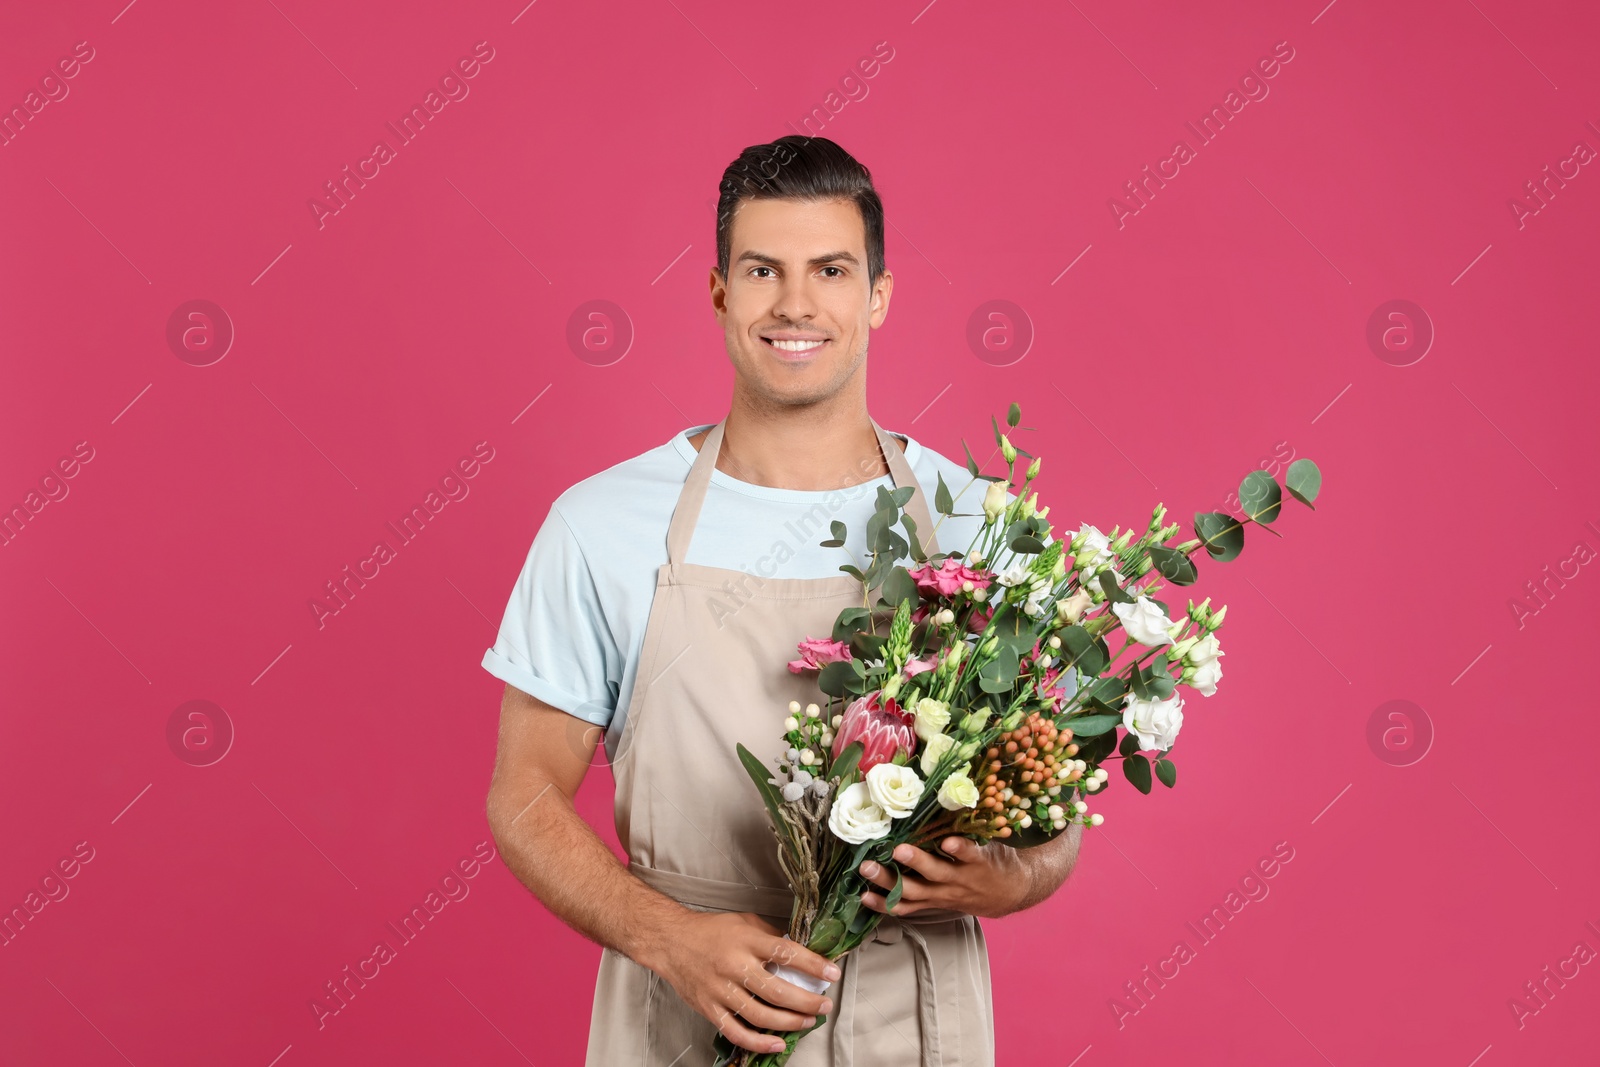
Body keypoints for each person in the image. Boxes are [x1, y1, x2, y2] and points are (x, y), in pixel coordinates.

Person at [481, 135, 1083, 1065]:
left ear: (877, 296)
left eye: (831, 270)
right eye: (763, 269)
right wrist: (669, 938)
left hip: (911, 1018)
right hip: (680, 1014)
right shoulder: (602, 524)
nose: (796, 304)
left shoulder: (978, 525)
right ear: (720, 291)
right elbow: (522, 796)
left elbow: (1053, 814)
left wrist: (1014, 877)